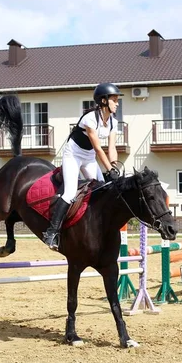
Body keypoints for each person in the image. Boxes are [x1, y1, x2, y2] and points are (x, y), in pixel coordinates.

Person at [43, 83, 123, 250]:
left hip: (89, 157)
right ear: (103, 101)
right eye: (114, 100)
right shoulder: (90, 119)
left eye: (117, 100)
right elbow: (98, 148)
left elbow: (112, 148)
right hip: (73, 154)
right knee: (70, 192)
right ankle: (52, 232)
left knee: (103, 188)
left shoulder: (113, 123)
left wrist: (114, 167)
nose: (117, 103)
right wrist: (108, 169)